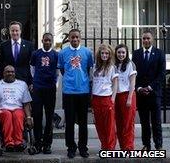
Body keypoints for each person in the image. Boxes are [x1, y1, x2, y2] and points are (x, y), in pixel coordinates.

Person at [57, 29, 93, 158]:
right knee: (70, 122)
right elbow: (62, 69)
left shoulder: (88, 52)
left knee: (83, 122)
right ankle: (71, 147)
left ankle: (83, 147)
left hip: (83, 91)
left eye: (77, 37)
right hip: (69, 91)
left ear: (80, 38)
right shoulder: (63, 53)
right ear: (69, 38)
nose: (75, 39)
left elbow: (89, 69)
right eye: (72, 37)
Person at [132, 30, 165, 150]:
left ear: (153, 39)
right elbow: (134, 73)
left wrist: (150, 87)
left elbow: (161, 74)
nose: (146, 40)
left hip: (154, 93)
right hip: (141, 94)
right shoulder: (136, 54)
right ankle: (146, 145)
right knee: (144, 122)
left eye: (148, 38)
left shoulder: (160, 53)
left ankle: (158, 145)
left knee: (156, 122)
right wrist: (139, 88)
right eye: (144, 38)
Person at [0, 65, 33, 152]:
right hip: (2, 110)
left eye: (12, 72)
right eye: (8, 72)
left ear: (15, 73)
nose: (10, 73)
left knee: (17, 114)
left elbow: (26, 103)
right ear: (3, 73)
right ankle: (9, 142)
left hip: (18, 109)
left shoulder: (22, 84)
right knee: (7, 114)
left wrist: (28, 117)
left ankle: (18, 142)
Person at [30, 33, 58, 154]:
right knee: (37, 116)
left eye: (49, 40)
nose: (47, 42)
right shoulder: (36, 54)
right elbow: (32, 69)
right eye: (45, 40)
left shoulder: (56, 55)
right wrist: (35, 81)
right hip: (38, 88)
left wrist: (55, 85)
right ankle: (37, 143)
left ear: (52, 41)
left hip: (50, 88)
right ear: (42, 40)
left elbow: (57, 71)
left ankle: (47, 144)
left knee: (49, 117)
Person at [91, 44, 118, 150]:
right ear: (99, 54)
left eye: (107, 53)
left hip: (107, 98)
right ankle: (104, 146)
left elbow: (115, 84)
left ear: (110, 55)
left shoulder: (112, 67)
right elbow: (93, 83)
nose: (104, 55)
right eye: (102, 53)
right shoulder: (94, 67)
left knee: (109, 126)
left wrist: (113, 99)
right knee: (99, 126)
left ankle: (110, 148)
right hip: (96, 99)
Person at [114, 44, 137, 150]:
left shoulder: (130, 64)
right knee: (118, 123)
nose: (121, 54)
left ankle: (129, 147)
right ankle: (123, 146)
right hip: (116, 96)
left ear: (127, 53)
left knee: (128, 123)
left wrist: (129, 98)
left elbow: (132, 82)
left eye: (123, 52)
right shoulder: (113, 65)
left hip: (127, 95)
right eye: (119, 52)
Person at [0, 21, 34, 86]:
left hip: (24, 80)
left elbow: (32, 65)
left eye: (17, 30)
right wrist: (0, 80)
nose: (15, 33)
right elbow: (0, 64)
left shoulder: (29, 45)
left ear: (20, 31)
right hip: (8, 80)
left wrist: (31, 82)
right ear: (9, 32)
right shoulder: (3, 46)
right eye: (12, 31)